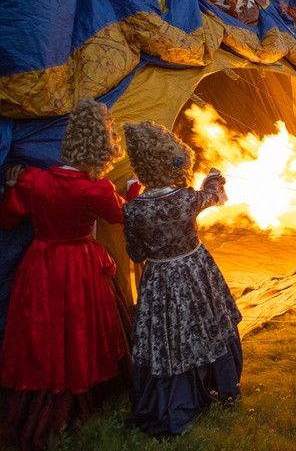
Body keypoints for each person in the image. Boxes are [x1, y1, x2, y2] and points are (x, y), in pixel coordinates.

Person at [0, 98, 131, 449]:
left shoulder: (32, 181)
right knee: (79, 329)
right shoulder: (97, 190)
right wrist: (133, 189)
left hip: (41, 264)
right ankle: (79, 392)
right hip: (82, 266)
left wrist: (12, 188)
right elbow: (123, 215)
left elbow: (8, 219)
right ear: (104, 149)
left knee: (45, 331)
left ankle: (44, 394)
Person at [122, 121, 242, 437]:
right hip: (196, 271)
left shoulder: (134, 210)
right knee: (205, 325)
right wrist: (215, 177)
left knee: (168, 336)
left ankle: (173, 401)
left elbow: (135, 254)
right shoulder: (187, 198)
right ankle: (218, 386)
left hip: (158, 279)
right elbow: (213, 196)